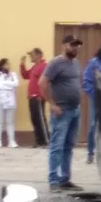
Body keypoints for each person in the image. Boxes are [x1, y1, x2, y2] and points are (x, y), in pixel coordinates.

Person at [40, 35, 83, 191]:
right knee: (57, 146)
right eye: (72, 45)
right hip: (61, 111)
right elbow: (42, 83)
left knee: (69, 146)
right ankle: (53, 180)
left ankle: (65, 179)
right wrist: (52, 104)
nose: (75, 48)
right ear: (64, 45)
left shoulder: (76, 63)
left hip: (75, 110)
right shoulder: (55, 63)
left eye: (77, 46)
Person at [20, 48, 49, 147]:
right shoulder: (34, 67)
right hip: (31, 97)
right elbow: (25, 75)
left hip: (38, 97)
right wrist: (22, 64)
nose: (30, 57)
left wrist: (41, 95)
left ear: (38, 55)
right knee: (34, 119)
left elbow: (45, 82)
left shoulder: (44, 66)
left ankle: (45, 141)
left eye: (32, 55)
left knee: (40, 119)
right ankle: (39, 141)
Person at [0, 59, 19, 148]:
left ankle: (11, 141)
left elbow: (16, 84)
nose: (8, 66)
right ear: (2, 65)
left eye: (9, 64)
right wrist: (9, 85)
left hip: (10, 99)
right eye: (6, 64)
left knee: (10, 121)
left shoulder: (13, 74)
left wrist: (4, 84)